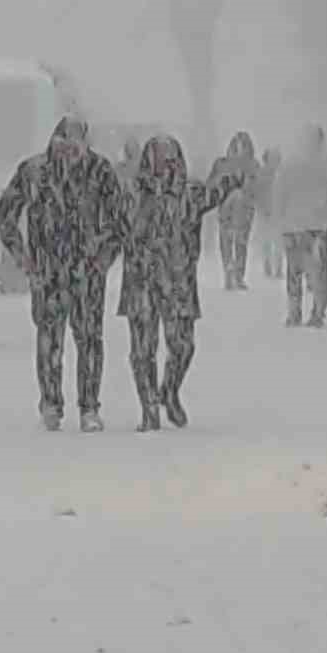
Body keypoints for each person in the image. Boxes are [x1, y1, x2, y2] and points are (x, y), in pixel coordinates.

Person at [0, 114, 127, 432]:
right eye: (64, 144)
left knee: (89, 340)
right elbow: (5, 214)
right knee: (49, 341)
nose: (69, 151)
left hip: (87, 272)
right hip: (47, 271)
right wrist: (22, 256)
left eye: (75, 145)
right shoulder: (34, 171)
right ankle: (51, 403)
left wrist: (102, 258)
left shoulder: (101, 172)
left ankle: (89, 407)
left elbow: (119, 220)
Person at [119, 136, 245, 431]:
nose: (165, 164)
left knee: (183, 346)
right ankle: (149, 408)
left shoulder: (190, 193)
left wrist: (235, 178)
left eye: (170, 158)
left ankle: (169, 390)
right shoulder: (131, 194)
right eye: (159, 158)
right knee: (142, 351)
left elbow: (215, 192)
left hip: (178, 283)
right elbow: (108, 220)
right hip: (141, 281)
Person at [273, 124, 327, 328]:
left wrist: (280, 220)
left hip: (293, 226)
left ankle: (294, 312)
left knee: (294, 272)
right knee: (319, 271)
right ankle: (318, 312)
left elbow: (279, 194)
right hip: (318, 227)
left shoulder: (289, 164)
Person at [208, 131, 260, 291]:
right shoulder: (251, 164)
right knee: (237, 241)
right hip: (238, 209)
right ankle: (235, 272)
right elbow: (259, 188)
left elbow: (211, 185)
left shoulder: (224, 164)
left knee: (231, 240)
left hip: (232, 209)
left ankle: (232, 271)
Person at [257, 148, 284, 279]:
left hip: (278, 213)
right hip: (266, 213)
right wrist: (263, 208)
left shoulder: (282, 174)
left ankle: (278, 268)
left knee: (278, 242)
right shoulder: (262, 175)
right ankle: (267, 265)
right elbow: (258, 193)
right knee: (266, 241)